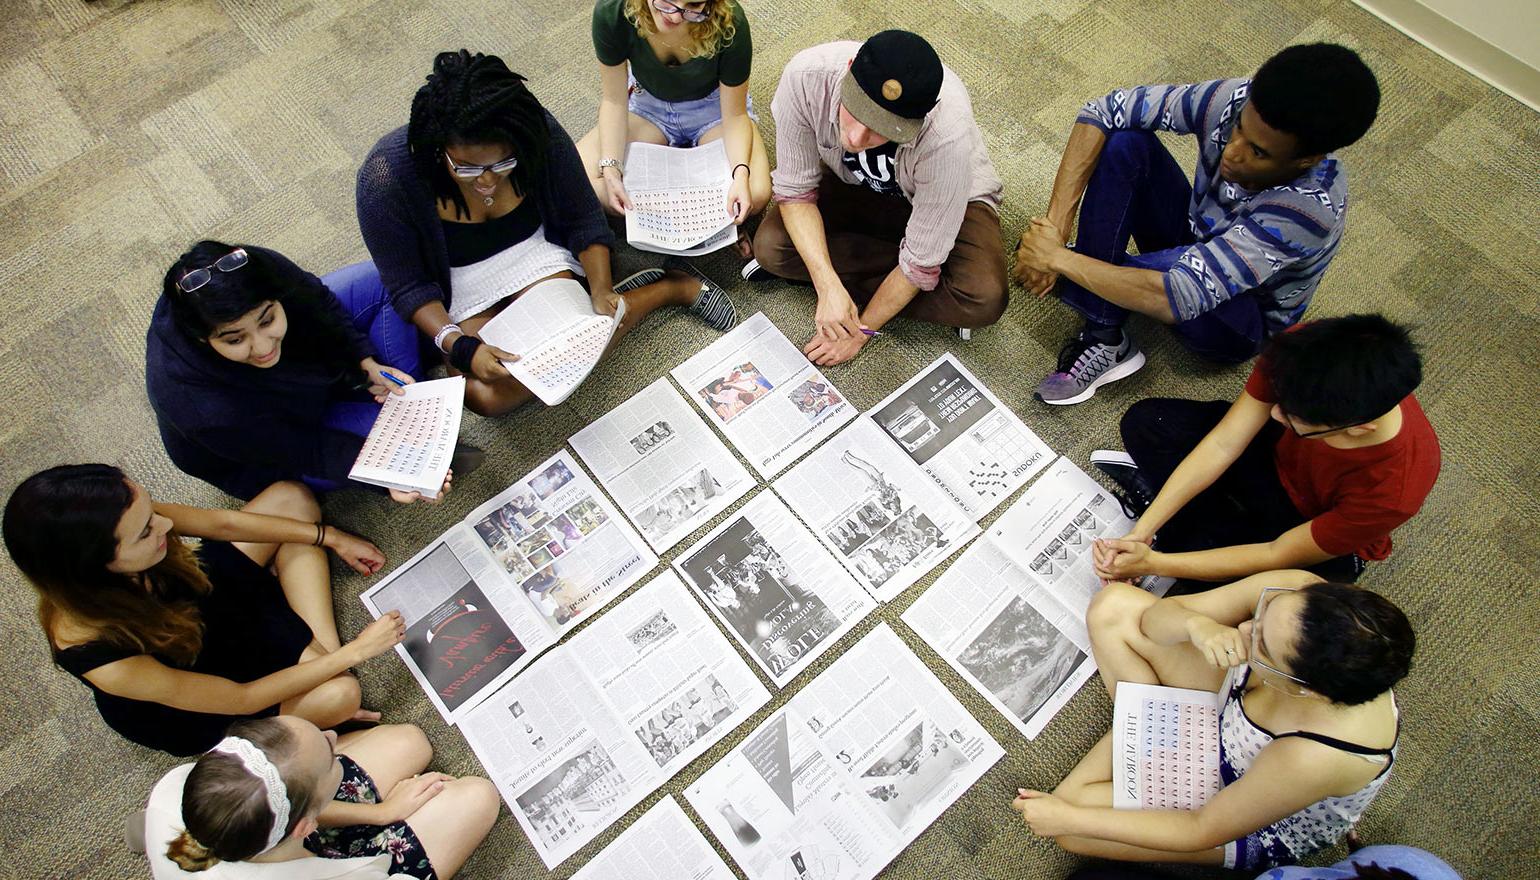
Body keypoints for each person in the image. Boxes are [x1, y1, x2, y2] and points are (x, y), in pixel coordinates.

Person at [356, 49, 738, 417]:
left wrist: (602, 287)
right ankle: (640, 296)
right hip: (457, 283)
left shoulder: (535, 133)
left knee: (578, 343)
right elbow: (409, 288)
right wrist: (459, 346)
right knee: (487, 397)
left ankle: (670, 287)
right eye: (468, 169)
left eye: (503, 163)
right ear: (440, 151)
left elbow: (582, 217)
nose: (487, 181)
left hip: (533, 254)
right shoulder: (387, 179)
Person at [1017, 43, 1381, 404]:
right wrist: (1055, 228)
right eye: (1239, 127)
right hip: (1197, 234)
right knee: (1125, 143)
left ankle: (1099, 322)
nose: (1231, 150)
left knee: (1111, 274)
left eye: (1257, 152)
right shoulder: (1237, 97)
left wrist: (1056, 259)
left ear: (1307, 160)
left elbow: (1177, 294)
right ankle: (1105, 327)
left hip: (1240, 314)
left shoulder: (1306, 211)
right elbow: (1103, 110)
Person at [1012, 571, 1414, 871]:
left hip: (1245, 799)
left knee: (1070, 824)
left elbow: (1203, 828)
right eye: (1264, 611)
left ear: (1303, 687)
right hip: (1232, 707)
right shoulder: (1300, 599)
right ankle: (1154, 725)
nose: (1243, 627)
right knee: (1113, 608)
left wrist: (1069, 818)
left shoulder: (1318, 754)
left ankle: (1150, 724)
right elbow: (1155, 621)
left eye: (1262, 644)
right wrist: (1196, 624)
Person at [4, 465, 406, 756]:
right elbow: (243, 697)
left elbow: (221, 524)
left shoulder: (126, 515)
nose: (165, 524)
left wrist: (329, 536)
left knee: (292, 498)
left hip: (198, 595)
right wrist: (355, 652)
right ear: (96, 563)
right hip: (198, 683)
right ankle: (326, 663)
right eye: (146, 531)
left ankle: (318, 658)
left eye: (152, 513)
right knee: (342, 694)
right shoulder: (99, 653)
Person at [1088, 315, 1439, 588]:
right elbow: (1226, 441)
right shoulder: (1304, 352)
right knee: (1148, 422)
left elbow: (1278, 552)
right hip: (1273, 458)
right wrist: (1143, 531)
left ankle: (1189, 539)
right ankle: (1186, 533)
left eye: (1292, 416)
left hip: (1306, 522)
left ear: (1359, 428)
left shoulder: (1394, 490)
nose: (1273, 412)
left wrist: (1152, 564)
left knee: (1252, 592)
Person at [749, 30, 1008, 365]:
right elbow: (796, 192)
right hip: (853, 184)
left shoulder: (946, 137)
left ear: (916, 123)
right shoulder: (805, 78)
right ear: (849, 69)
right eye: (854, 111)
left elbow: (919, 264)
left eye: (880, 128)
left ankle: (889, 267)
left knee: (984, 297)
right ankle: (905, 275)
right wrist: (827, 286)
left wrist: (862, 330)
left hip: (944, 196)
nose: (856, 137)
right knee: (771, 248)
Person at [147, 241, 453, 504]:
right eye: (235, 339)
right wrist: (389, 476)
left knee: (384, 282)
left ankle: (408, 402)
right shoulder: (202, 409)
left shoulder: (252, 266)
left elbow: (317, 299)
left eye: (267, 320)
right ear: (203, 338)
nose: (262, 346)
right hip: (273, 443)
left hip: (304, 370)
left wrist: (363, 361)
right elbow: (310, 451)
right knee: (405, 448)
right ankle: (408, 414)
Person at [145, 716, 498, 878]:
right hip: (339, 868)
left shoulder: (177, 785)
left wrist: (382, 813)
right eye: (330, 758)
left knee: (410, 741)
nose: (334, 734)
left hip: (287, 842)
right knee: (479, 797)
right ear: (305, 824)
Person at [577, 0, 770, 242]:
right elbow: (614, 101)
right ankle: (712, 225)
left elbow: (735, 115)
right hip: (647, 105)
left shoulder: (730, 20)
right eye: (666, 1)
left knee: (757, 190)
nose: (676, 16)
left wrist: (740, 175)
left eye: (693, 5)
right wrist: (612, 169)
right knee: (577, 178)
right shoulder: (613, 11)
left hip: (713, 108)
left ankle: (684, 223)